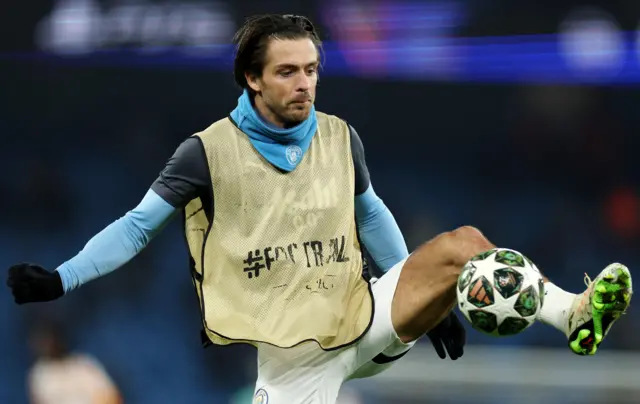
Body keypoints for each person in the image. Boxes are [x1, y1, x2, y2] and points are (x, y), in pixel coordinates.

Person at [7, 14, 632, 404]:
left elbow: (372, 216)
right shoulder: (206, 154)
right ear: (252, 79)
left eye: (311, 69)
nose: (304, 83)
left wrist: (428, 295)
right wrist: (62, 277)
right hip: (295, 363)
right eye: (287, 72)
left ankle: (572, 315)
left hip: (361, 310)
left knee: (464, 242)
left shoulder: (339, 136)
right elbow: (137, 228)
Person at [27, 322, 122, 404]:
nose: (46, 346)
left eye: (49, 340)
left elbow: (110, 396)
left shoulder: (82, 364)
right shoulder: (39, 373)